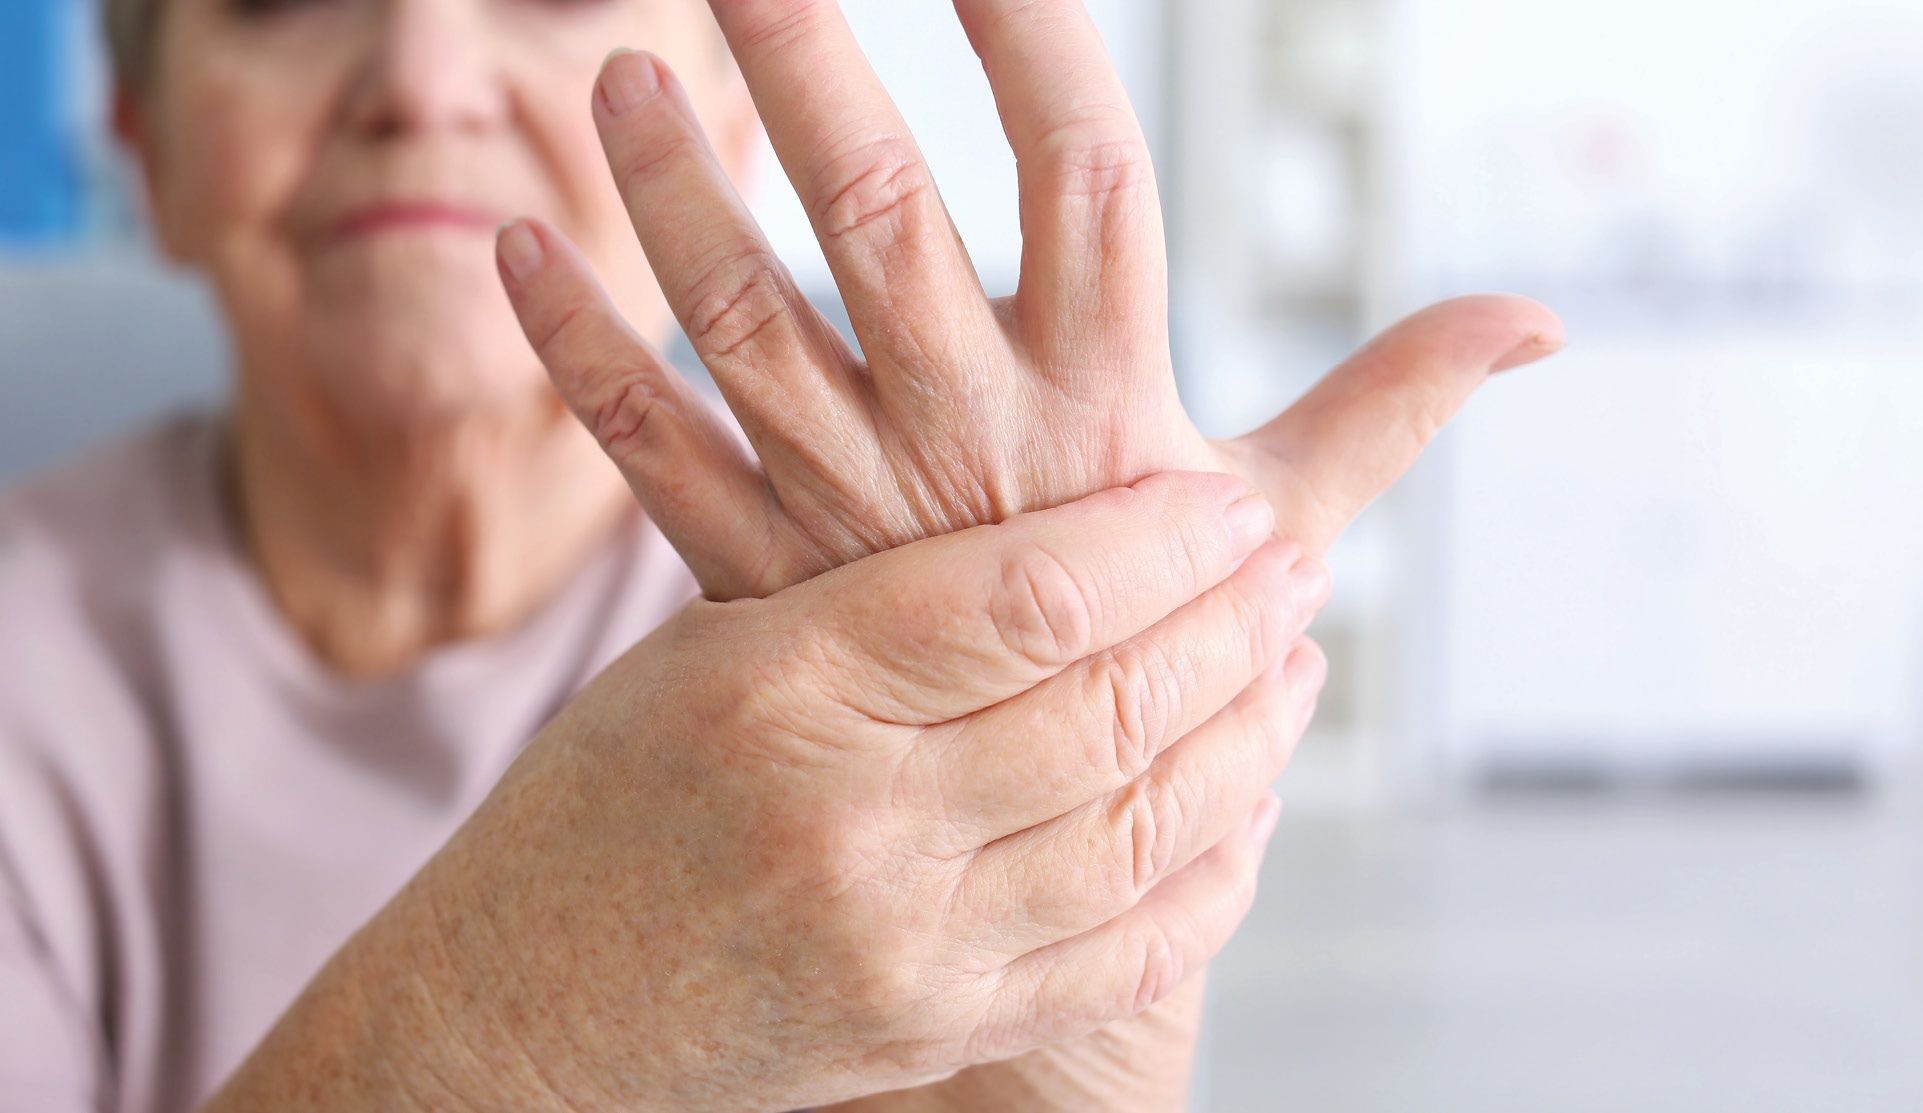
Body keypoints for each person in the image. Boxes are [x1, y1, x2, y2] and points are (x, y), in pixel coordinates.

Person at [0, 0, 1563, 1109]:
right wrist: (524, 1015)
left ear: (728, 120)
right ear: (145, 147)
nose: (421, 71)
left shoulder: (915, 620)